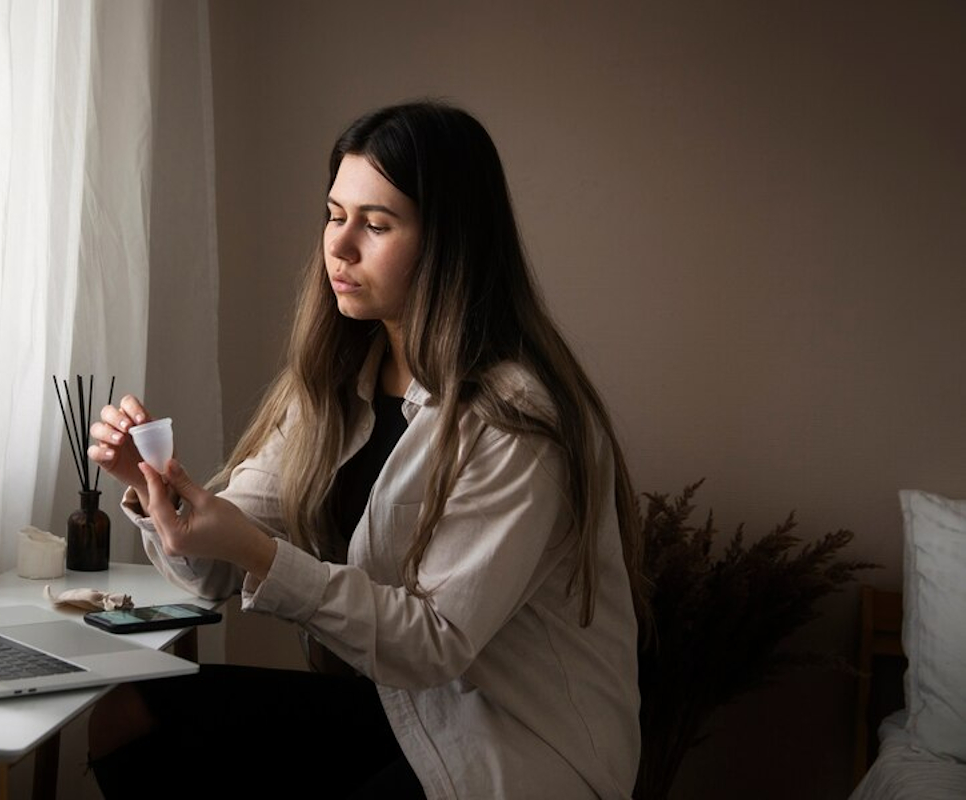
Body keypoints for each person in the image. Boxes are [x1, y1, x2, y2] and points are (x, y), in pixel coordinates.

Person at [85, 100, 645, 799]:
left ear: (449, 244)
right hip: (401, 710)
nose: (339, 247)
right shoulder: (337, 381)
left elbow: (434, 643)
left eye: (376, 225)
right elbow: (212, 572)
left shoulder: (516, 418)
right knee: (127, 718)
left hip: (514, 746)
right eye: (333, 214)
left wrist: (260, 554)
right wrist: (154, 492)